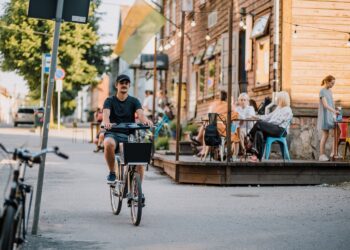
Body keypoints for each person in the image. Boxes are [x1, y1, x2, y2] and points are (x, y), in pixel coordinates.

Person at [103, 74, 153, 202]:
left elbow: (141, 115)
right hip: (113, 133)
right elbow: (106, 114)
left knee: (140, 160)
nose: (124, 85)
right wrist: (107, 122)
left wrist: (146, 121)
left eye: (126, 83)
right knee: (108, 143)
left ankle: (136, 191)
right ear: (116, 85)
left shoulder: (134, 101)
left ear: (129, 85)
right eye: (121, 82)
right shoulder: (110, 100)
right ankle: (112, 173)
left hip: (128, 135)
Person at [247, 91, 293, 162]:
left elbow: (277, 122)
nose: (277, 100)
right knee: (259, 132)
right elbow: (268, 117)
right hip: (272, 128)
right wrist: (257, 117)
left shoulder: (287, 110)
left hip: (280, 130)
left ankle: (250, 139)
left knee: (259, 124)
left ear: (283, 99)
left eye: (279, 98)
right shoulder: (278, 108)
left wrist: (265, 124)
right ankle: (255, 156)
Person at [317, 75, 340, 161]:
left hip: (331, 115)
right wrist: (334, 111)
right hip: (325, 116)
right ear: (327, 81)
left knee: (338, 131)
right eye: (332, 83)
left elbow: (331, 103)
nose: (333, 85)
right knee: (325, 135)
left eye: (334, 83)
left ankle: (334, 151)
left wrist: (335, 111)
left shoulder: (330, 91)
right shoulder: (322, 91)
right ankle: (321, 155)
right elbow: (325, 105)